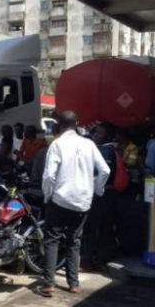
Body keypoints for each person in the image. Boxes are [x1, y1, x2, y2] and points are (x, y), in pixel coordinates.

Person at [38, 112, 110, 297]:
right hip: (83, 201)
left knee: (52, 240)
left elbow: (49, 176)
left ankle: (48, 283)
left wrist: (48, 196)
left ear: (59, 124)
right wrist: (96, 190)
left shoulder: (57, 144)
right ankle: (74, 283)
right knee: (74, 241)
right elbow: (105, 170)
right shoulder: (89, 143)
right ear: (77, 124)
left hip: (60, 199)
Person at [82, 123, 119, 271]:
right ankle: (91, 260)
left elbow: (104, 174)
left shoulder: (106, 151)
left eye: (100, 132)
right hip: (96, 195)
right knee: (94, 228)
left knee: (99, 228)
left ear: (107, 136)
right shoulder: (99, 150)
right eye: (96, 132)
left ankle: (95, 260)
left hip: (101, 196)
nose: (96, 135)